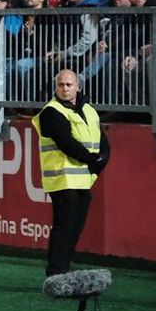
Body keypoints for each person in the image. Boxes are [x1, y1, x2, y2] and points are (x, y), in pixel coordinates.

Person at [30, 69, 110, 277]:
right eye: (61, 85)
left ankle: (63, 268)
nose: (65, 89)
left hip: (83, 179)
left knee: (74, 228)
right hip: (62, 179)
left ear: (78, 86)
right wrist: (94, 161)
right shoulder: (51, 111)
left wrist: (101, 159)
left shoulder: (89, 110)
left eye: (69, 84)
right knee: (64, 227)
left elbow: (102, 139)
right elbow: (66, 143)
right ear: (56, 88)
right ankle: (56, 273)